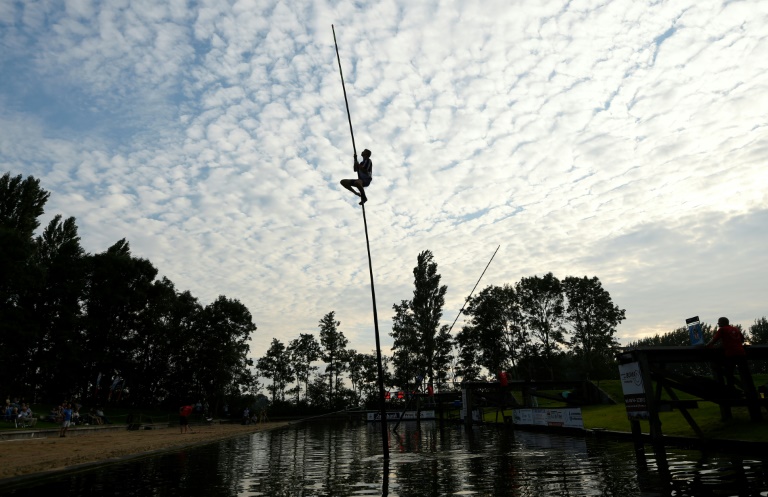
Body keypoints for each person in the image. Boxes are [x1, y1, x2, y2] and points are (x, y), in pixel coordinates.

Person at [706, 317, 747, 388]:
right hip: (741, 353)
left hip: (731, 354)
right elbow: (742, 340)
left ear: (722, 323)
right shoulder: (735, 329)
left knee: (726, 371)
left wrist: (707, 346)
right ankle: (747, 389)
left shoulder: (722, 329)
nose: (718, 324)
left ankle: (729, 389)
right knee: (744, 373)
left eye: (719, 322)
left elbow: (714, 340)